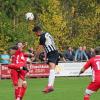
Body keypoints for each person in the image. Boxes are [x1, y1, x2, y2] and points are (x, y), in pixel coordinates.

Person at [32, 26, 59, 93]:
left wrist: (35, 57)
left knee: (52, 68)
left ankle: (50, 86)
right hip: (55, 52)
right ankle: (50, 86)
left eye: (35, 32)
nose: (35, 34)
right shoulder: (47, 33)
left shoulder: (42, 37)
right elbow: (48, 44)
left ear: (37, 31)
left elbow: (40, 48)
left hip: (52, 53)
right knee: (52, 69)